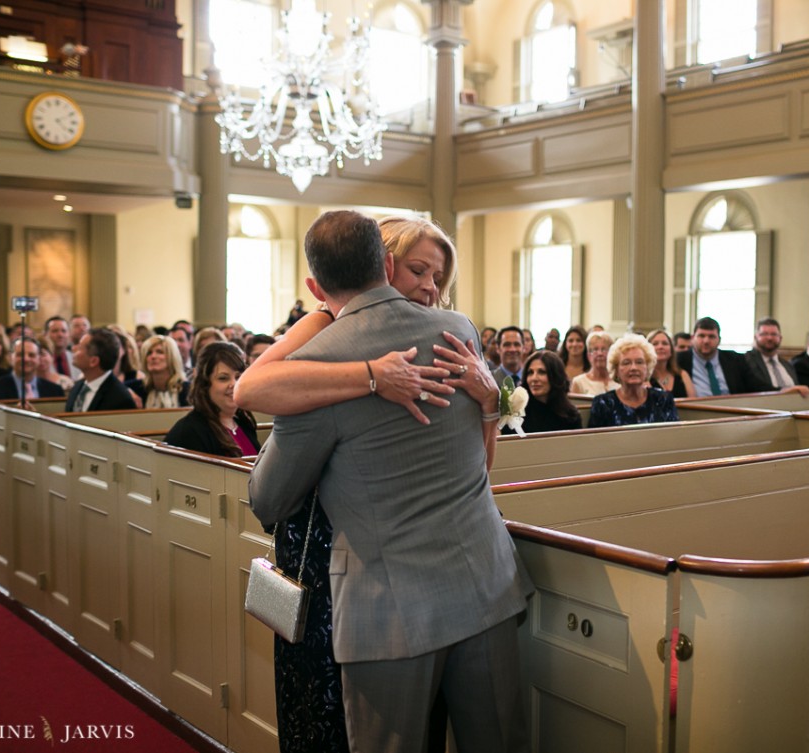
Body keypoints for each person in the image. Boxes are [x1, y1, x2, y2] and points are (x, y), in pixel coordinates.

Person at [247, 211, 527, 753]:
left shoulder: (315, 364)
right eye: (420, 271)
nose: (430, 286)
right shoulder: (458, 331)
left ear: (315, 285)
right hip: (486, 580)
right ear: (387, 264)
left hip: (390, 608)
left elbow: (268, 498)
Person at [164, 342, 260, 456]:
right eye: (223, 378)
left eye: (238, 377)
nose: (234, 384)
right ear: (204, 384)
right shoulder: (189, 432)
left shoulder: (244, 422)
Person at [588, 333, 679, 427]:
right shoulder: (603, 403)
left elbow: (674, 434)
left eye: (639, 362)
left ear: (647, 367)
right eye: (626, 363)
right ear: (616, 370)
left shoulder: (663, 400)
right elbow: (594, 436)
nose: (633, 368)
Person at [676, 317, 771, 396]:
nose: (706, 341)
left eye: (711, 336)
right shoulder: (679, 360)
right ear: (693, 338)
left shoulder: (735, 359)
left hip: (731, 409)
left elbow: (757, 386)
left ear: (719, 340)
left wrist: (778, 392)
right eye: (701, 336)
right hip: (695, 409)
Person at [503, 351, 581, 434]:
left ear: (556, 376)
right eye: (530, 373)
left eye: (542, 372)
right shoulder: (514, 413)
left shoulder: (571, 415)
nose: (534, 378)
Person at [65, 328, 139, 412]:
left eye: (80, 347)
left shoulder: (120, 398)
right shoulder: (78, 386)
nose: (73, 348)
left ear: (93, 361)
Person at [0, 337, 65, 403]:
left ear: (38, 359)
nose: (26, 359)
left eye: (31, 355)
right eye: (20, 355)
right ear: (10, 357)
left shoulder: (55, 391)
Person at [743, 318, 809, 396]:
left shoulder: (788, 365)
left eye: (774, 334)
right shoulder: (746, 362)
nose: (769, 338)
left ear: (780, 338)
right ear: (755, 337)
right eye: (764, 334)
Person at [130, 334, 189, 408]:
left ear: (172, 357)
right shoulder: (137, 389)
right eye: (149, 353)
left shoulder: (188, 390)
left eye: (159, 352)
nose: (153, 356)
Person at [646, 329, 696, 398]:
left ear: (671, 351)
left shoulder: (682, 375)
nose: (660, 347)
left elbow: (693, 401)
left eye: (665, 343)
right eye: (655, 344)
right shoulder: (644, 377)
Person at [570, 330, 618, 395]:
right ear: (589, 355)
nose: (600, 353)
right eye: (595, 349)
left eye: (604, 349)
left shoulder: (619, 381)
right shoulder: (579, 382)